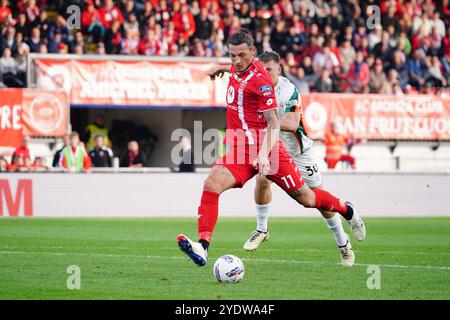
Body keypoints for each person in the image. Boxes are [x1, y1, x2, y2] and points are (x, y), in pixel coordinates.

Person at [176, 29, 365, 268]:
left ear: (253, 53)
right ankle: (202, 247)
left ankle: (346, 210)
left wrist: (264, 155)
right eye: (232, 55)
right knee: (211, 184)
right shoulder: (237, 66)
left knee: (307, 198)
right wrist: (221, 69)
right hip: (239, 147)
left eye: (241, 55)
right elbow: (234, 66)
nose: (236, 60)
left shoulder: (262, 82)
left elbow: (275, 122)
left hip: (267, 147)